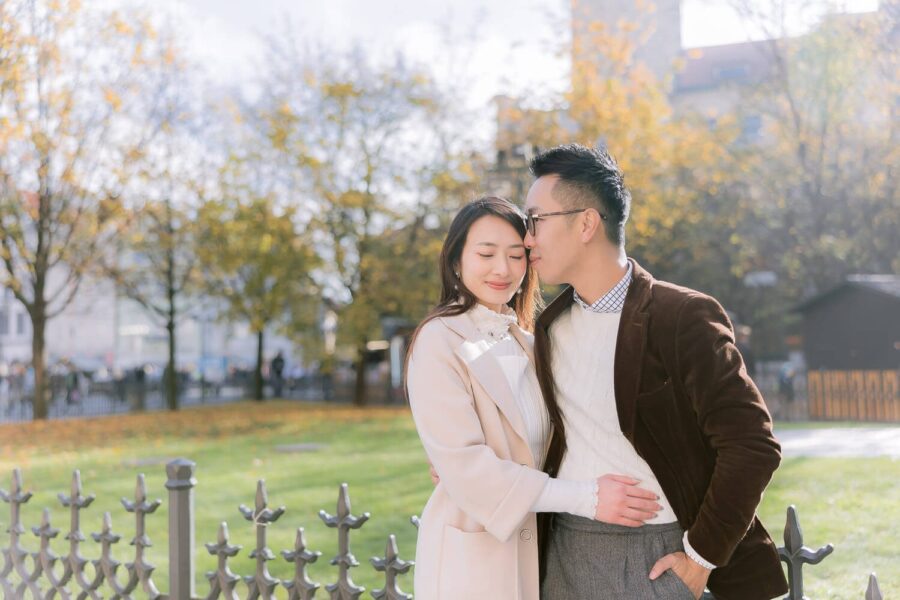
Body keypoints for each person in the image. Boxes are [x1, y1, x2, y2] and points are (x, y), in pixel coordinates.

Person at [524, 144, 787, 600]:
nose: (527, 239)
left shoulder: (682, 316)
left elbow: (752, 445)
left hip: (656, 556)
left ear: (586, 224)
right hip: (562, 552)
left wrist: (700, 558)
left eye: (535, 221)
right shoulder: (548, 325)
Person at [405, 196, 661, 600]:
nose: (502, 269)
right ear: (456, 261)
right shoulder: (438, 340)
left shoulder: (531, 341)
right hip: (471, 557)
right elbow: (468, 465)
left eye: (516, 255)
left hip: (540, 551)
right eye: (486, 254)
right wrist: (588, 498)